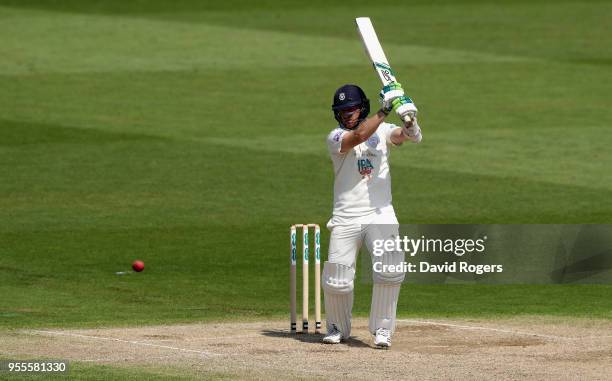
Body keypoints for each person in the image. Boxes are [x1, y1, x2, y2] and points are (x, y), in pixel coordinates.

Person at [322, 83, 422, 348]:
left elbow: (400, 136)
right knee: (337, 279)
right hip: (346, 217)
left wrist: (410, 126)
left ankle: (383, 329)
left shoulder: (383, 130)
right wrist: (386, 109)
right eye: (342, 111)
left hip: (380, 213)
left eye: (352, 109)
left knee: (390, 269)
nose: (347, 115)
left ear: (361, 107)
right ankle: (336, 327)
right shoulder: (335, 138)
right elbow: (358, 137)